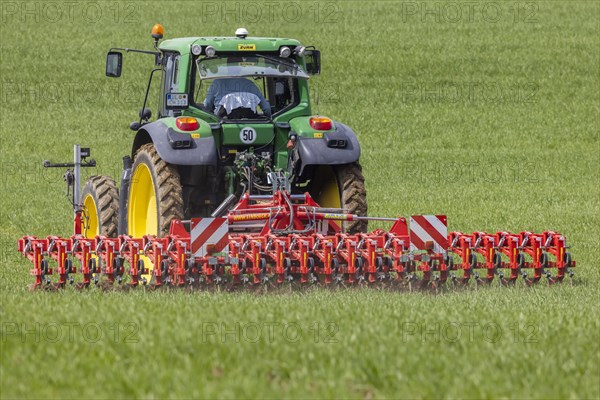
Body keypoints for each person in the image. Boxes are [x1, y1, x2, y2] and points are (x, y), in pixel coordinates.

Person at [203, 77, 272, 117]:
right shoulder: (249, 84)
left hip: (221, 122)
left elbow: (207, 105)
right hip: (251, 122)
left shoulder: (216, 83)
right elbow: (266, 108)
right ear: (240, 69)